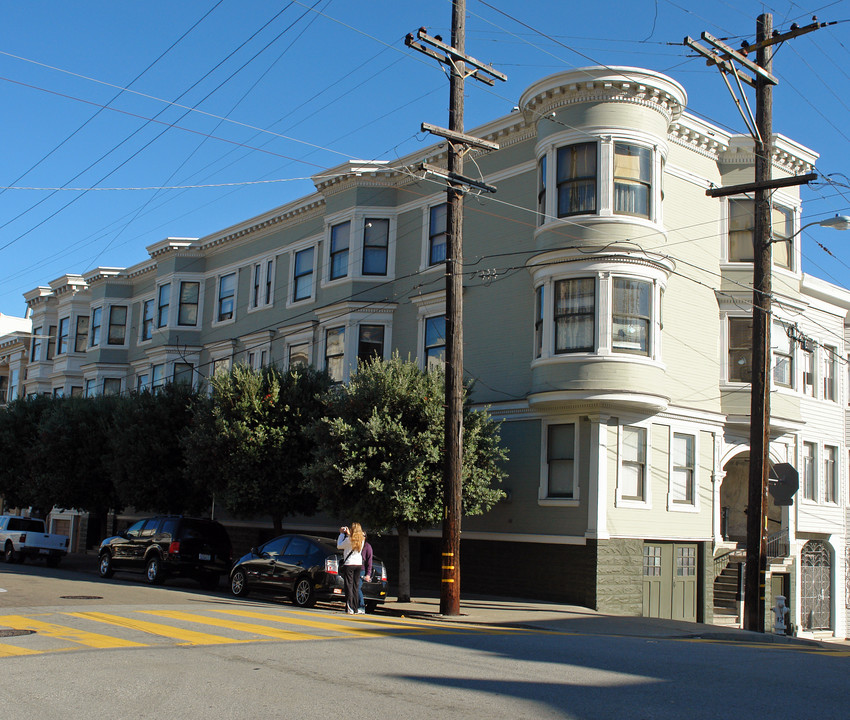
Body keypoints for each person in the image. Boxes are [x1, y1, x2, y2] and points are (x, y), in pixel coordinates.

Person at [337, 522, 364, 614]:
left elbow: (339, 545)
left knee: (348, 585)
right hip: (358, 563)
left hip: (349, 564)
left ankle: (349, 607)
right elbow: (356, 538)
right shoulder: (362, 539)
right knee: (355, 586)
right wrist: (349, 534)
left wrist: (341, 534)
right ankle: (355, 608)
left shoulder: (349, 540)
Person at [357, 533, 373, 614]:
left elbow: (369, 562)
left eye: (363, 535)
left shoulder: (367, 547)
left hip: (362, 570)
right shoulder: (356, 545)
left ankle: (361, 606)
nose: (361, 537)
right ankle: (353, 606)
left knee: (357, 587)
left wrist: (368, 574)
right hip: (355, 568)